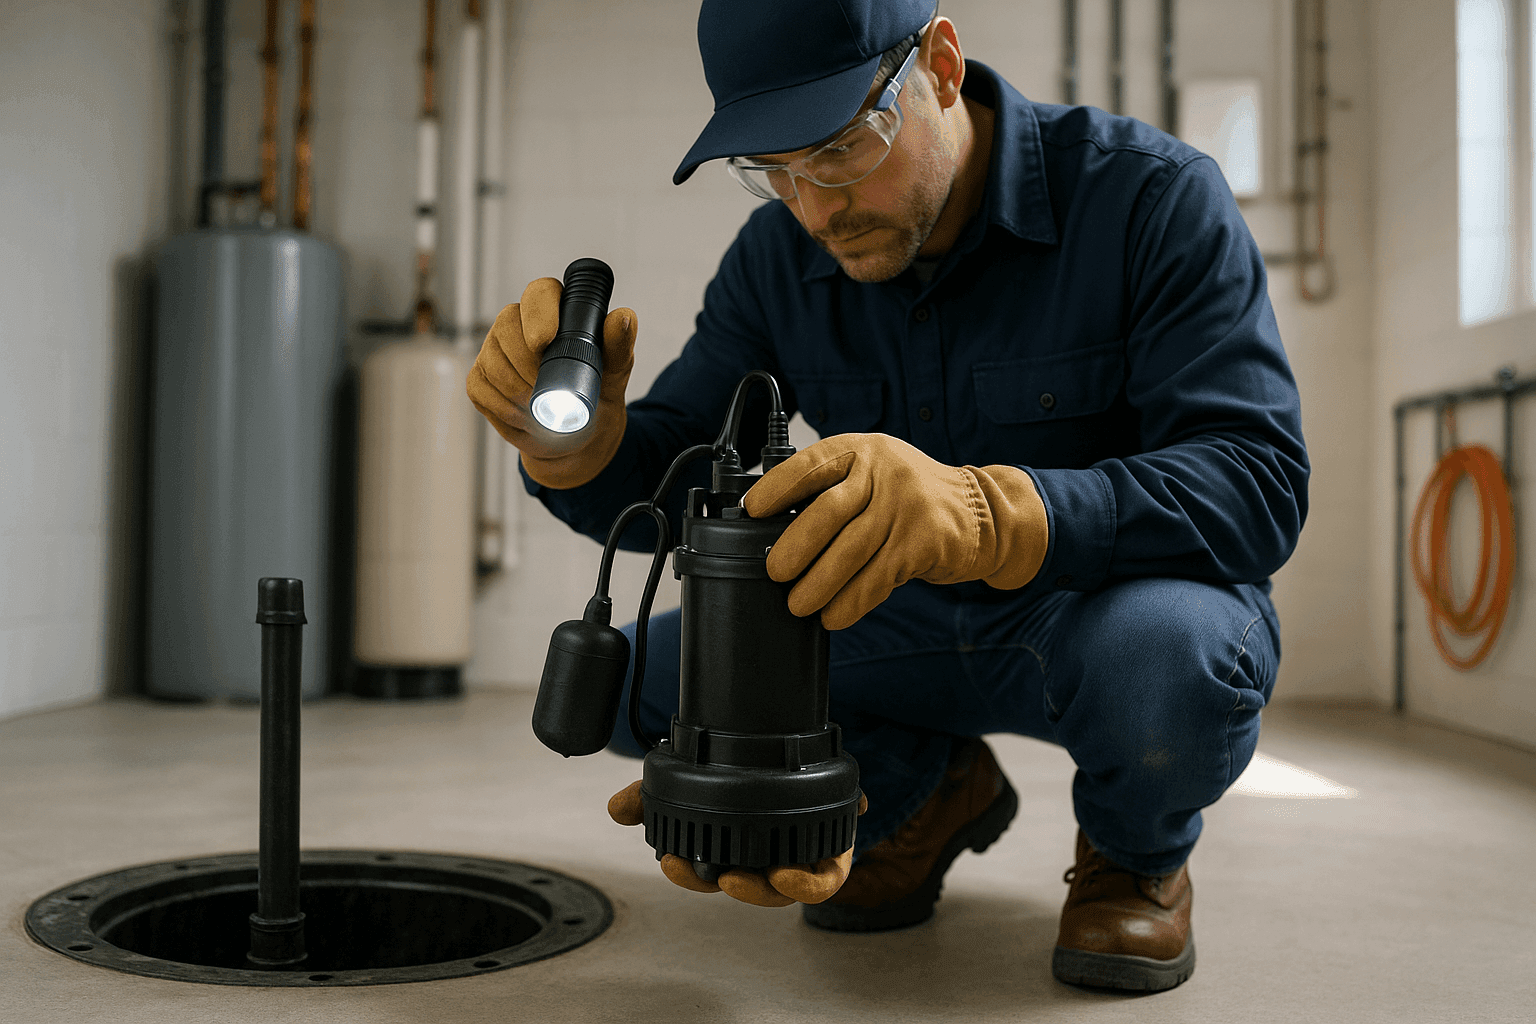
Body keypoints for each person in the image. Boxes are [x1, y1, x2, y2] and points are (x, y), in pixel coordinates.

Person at [467, 0, 1307, 994]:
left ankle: (1135, 855)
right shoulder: (776, 260)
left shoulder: (1153, 200)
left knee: (1172, 667)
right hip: (889, 625)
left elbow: (1256, 479)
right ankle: (914, 795)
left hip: (1098, 618)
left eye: (838, 149)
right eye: (772, 169)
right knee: (636, 686)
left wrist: (988, 515)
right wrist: (584, 452)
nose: (815, 208)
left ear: (941, 66)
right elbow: (679, 470)